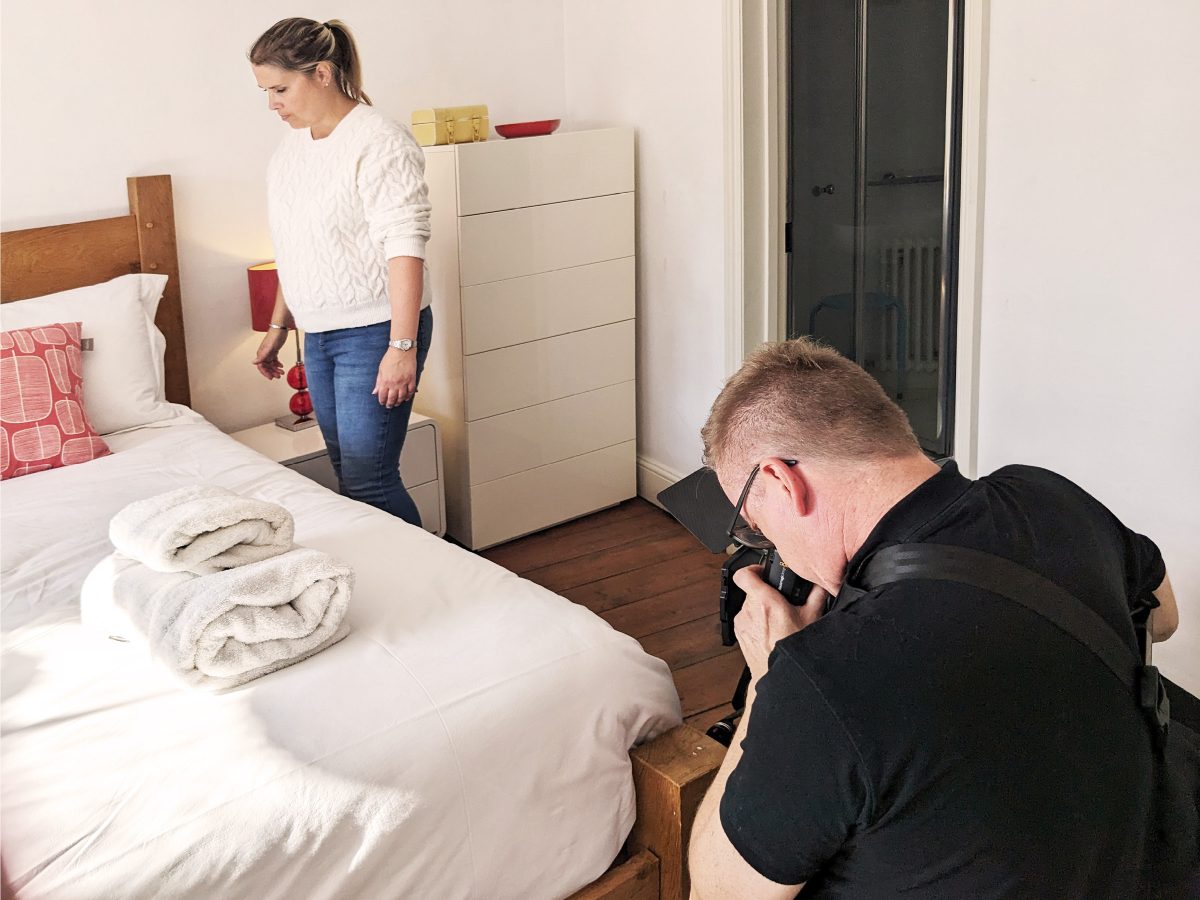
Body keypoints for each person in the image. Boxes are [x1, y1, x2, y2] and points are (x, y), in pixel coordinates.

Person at [687, 338, 1181, 899]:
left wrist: (766, 683)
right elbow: (1164, 616)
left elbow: (717, 892)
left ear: (781, 481)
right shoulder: (1044, 492)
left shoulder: (822, 676)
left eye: (753, 524)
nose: (764, 542)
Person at [248, 17, 433, 525]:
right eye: (265, 91)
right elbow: (295, 247)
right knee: (348, 474)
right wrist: (279, 326)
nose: (273, 104)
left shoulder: (379, 140)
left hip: (375, 330)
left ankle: (425, 588)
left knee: (371, 480)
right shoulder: (290, 151)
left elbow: (405, 247)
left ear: (322, 73)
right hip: (322, 332)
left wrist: (402, 347)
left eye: (280, 88)